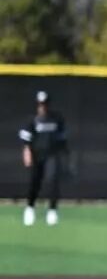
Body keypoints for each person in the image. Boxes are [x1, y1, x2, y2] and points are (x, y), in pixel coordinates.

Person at [19, 90, 70, 226]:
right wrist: (27, 152)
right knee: (35, 182)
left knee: (52, 180)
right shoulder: (32, 119)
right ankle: (30, 208)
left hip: (51, 155)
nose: (43, 107)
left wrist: (64, 153)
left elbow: (63, 138)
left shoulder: (56, 119)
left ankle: (52, 211)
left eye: (45, 104)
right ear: (37, 105)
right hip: (37, 155)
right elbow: (26, 140)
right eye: (41, 104)